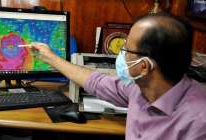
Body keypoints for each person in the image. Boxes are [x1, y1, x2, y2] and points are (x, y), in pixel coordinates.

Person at [30, 14, 206, 140]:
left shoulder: (198, 123)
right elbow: (96, 82)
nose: (121, 55)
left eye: (126, 49)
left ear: (144, 66)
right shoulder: (138, 88)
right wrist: (49, 57)